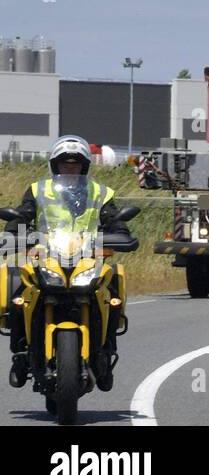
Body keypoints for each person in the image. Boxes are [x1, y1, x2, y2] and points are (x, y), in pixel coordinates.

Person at [5, 136, 130, 388]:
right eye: (64, 163)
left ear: (84, 166)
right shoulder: (38, 189)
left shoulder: (100, 192)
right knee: (19, 294)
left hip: (88, 256)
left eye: (75, 164)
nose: (70, 168)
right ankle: (19, 357)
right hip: (45, 255)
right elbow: (24, 214)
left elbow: (113, 218)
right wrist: (12, 232)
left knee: (112, 287)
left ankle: (105, 354)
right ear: (55, 165)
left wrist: (120, 232)